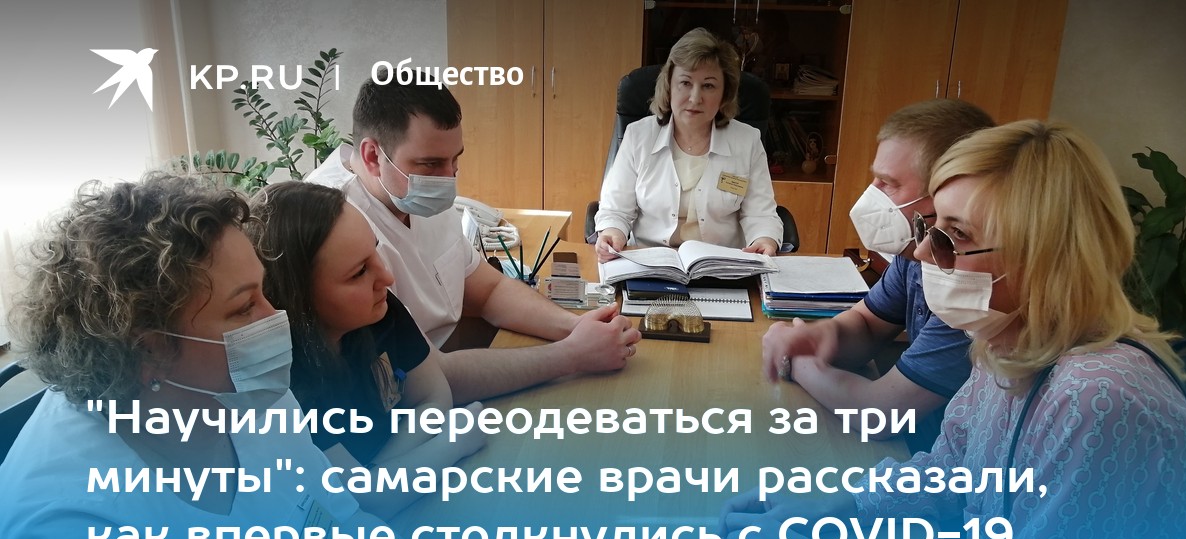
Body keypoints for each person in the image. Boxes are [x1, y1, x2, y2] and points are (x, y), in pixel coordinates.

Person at [721, 121, 1186, 539]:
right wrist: (834, 510)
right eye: (931, 231)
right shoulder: (1005, 340)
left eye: (956, 236)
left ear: (1045, 258)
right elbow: (952, 471)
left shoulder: (1098, 399)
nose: (922, 252)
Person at [0, 174, 484, 539]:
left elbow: (340, 525)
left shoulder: (243, 392)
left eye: (264, 292)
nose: (276, 319)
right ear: (151, 351)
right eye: (244, 307)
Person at [307, 71, 640, 404]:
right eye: (430, 164)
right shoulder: (334, 225)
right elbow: (432, 378)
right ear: (372, 156)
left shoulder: (410, 194)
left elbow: (489, 290)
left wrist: (576, 328)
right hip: (420, 396)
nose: (448, 178)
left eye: (455, 160)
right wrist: (573, 355)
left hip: (459, 364)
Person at [761, 99, 994, 448]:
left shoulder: (970, 284)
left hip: (935, 459)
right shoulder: (915, 254)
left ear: (947, 190)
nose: (872, 193)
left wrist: (798, 363)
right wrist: (818, 338)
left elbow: (880, 415)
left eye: (888, 183)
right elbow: (867, 324)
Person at [248, 181, 486, 519]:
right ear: (300, 297)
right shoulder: (284, 378)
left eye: (375, 251)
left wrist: (379, 472)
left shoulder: (377, 310)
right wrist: (455, 442)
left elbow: (434, 397)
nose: (386, 276)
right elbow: (360, 502)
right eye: (359, 272)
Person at [593, 27, 783, 261]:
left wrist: (765, 240)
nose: (695, 98)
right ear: (669, 85)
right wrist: (612, 233)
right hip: (651, 261)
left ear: (725, 93)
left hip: (721, 264)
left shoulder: (747, 141)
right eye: (685, 82)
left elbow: (761, 214)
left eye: (708, 86)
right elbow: (615, 209)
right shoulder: (638, 136)